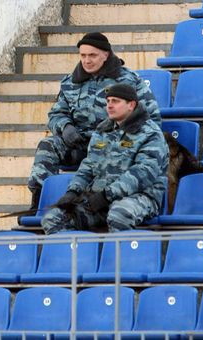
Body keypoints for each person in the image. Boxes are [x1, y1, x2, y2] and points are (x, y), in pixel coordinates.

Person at [26, 32, 162, 212]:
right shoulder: (70, 82)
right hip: (79, 143)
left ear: (106, 55)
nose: (87, 60)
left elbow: (151, 117)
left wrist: (121, 135)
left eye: (92, 55)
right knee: (48, 145)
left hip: (113, 146)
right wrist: (65, 127)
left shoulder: (129, 80)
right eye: (83, 55)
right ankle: (39, 200)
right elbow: (57, 113)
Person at [41, 83, 169, 234]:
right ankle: (78, 257)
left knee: (119, 215)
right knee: (53, 219)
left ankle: (118, 257)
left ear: (131, 105)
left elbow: (142, 173)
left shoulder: (150, 133)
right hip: (98, 201)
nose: (109, 105)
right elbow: (88, 166)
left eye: (115, 101)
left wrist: (106, 195)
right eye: (108, 101)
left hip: (139, 198)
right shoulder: (102, 130)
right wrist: (73, 192)